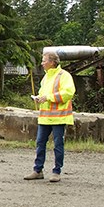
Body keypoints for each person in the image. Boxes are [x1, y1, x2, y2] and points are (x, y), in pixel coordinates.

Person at [25, 50, 76, 183]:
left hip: (59, 117)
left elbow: (68, 93)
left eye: (44, 60)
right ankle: (37, 170)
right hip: (45, 117)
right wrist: (39, 98)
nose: (42, 63)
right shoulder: (46, 77)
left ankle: (56, 171)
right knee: (40, 143)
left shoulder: (64, 76)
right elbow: (44, 93)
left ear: (52, 62)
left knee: (58, 144)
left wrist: (48, 98)